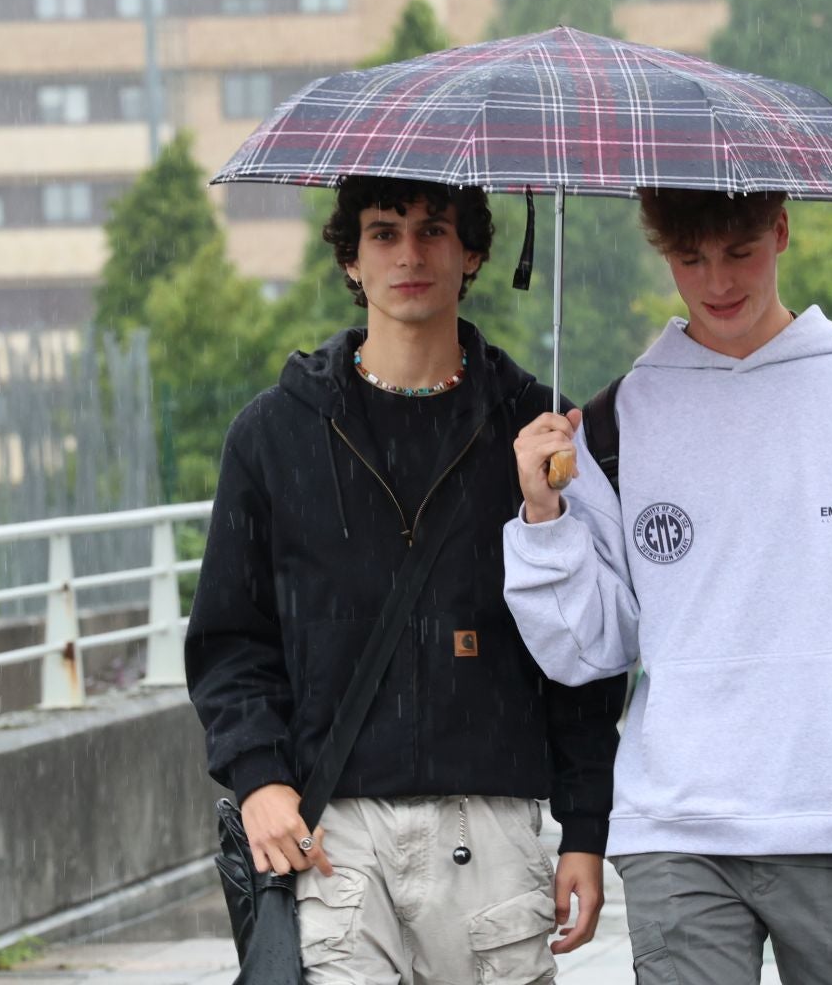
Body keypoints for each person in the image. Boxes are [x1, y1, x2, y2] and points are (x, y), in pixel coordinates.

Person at [502, 187, 832, 984]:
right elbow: (588, 649)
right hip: (675, 823)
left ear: (780, 232)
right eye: (690, 258)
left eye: (739, 252)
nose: (717, 280)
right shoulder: (612, 425)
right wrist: (545, 519)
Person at [186, 175, 626, 983]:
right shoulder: (273, 433)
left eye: (434, 230)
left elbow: (584, 659)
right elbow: (229, 639)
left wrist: (586, 830)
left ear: (475, 252)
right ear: (351, 259)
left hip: (491, 830)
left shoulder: (539, 432)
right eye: (385, 233)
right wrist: (258, 780)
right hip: (334, 836)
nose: (410, 254)